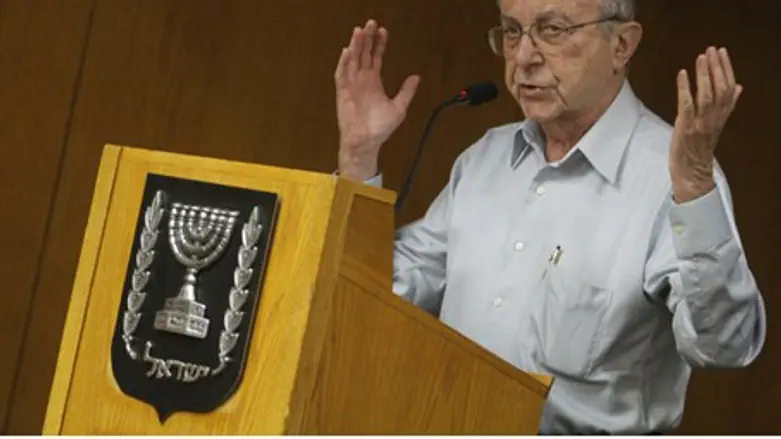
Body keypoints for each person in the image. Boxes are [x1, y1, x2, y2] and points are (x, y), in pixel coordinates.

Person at [332, 0, 767, 434]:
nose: (523, 57)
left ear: (622, 45)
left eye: (552, 29)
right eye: (511, 32)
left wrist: (693, 189)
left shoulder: (670, 178)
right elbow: (383, 291)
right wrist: (359, 156)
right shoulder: (485, 158)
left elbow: (723, 347)